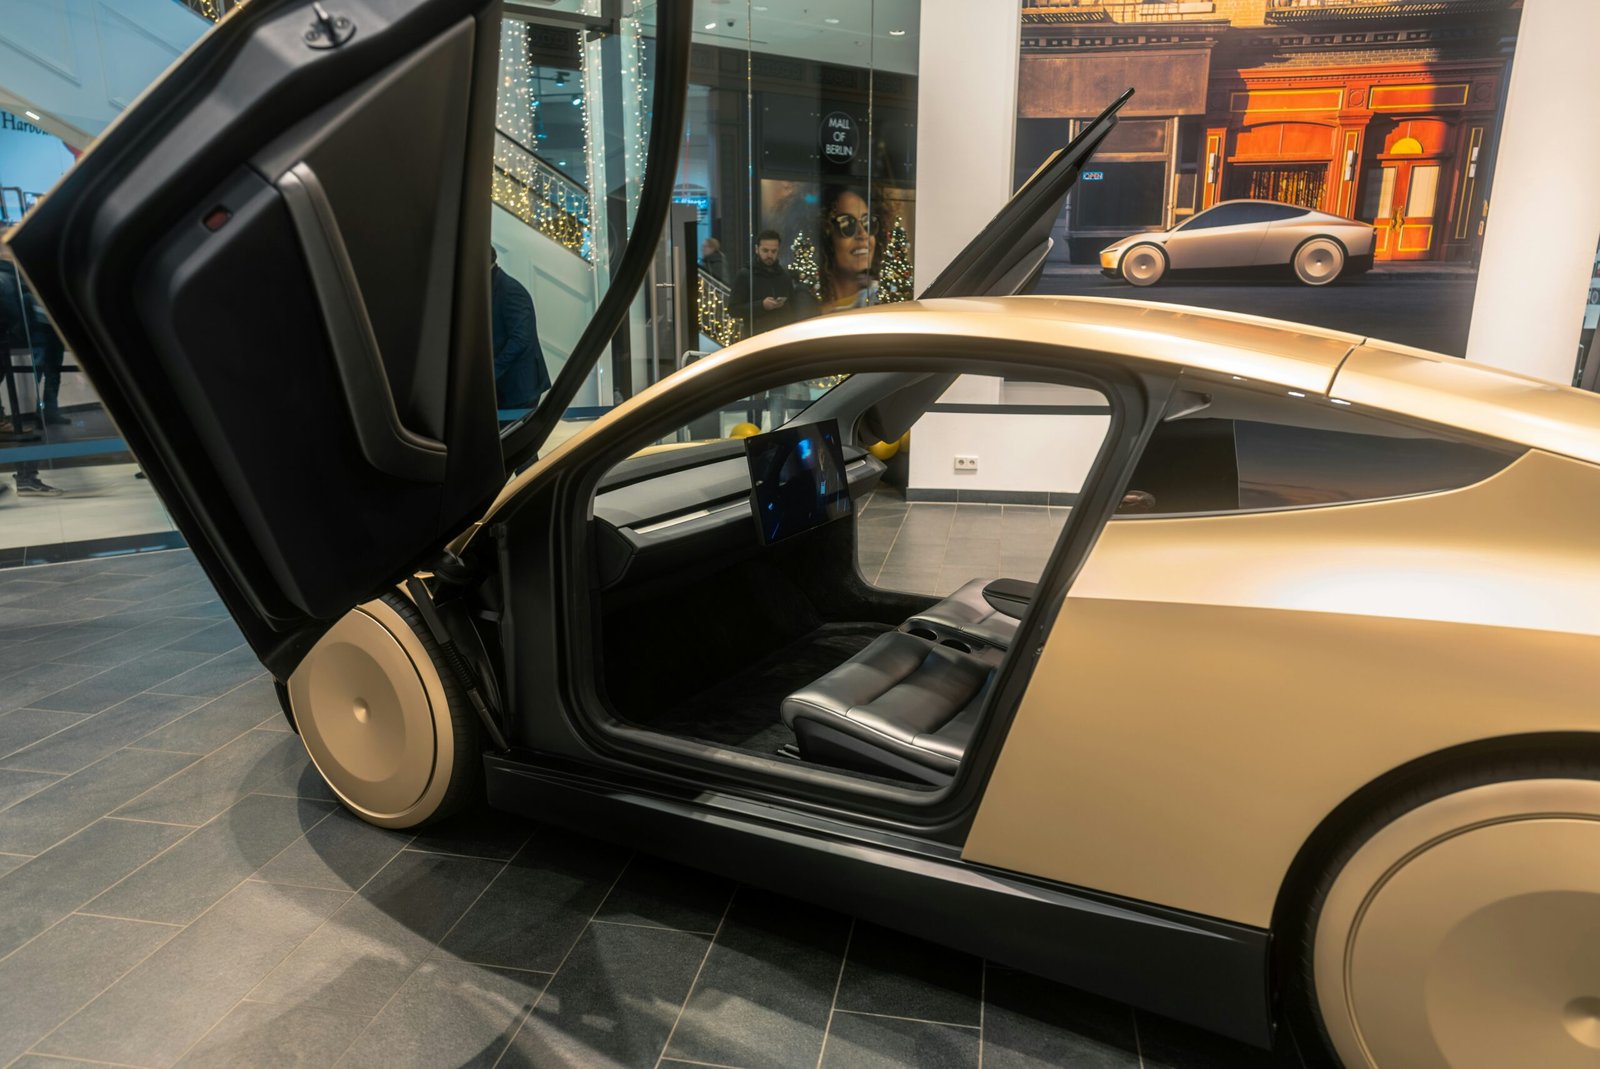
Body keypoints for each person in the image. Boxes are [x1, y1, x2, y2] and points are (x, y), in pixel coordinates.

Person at [798, 186, 880, 316]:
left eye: (868, 222)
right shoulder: (806, 303)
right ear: (825, 236)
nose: (863, 234)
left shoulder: (882, 299)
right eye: (847, 224)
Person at [490, 248, 550, 414]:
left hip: (518, 387)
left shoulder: (510, 290)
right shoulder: (496, 285)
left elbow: (520, 340)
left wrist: (491, 371)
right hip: (508, 385)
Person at [729, 230, 796, 335]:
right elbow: (733, 310)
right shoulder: (745, 275)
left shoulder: (784, 276)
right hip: (756, 338)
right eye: (765, 250)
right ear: (757, 249)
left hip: (782, 336)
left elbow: (793, 306)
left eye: (773, 251)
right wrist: (762, 306)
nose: (769, 255)